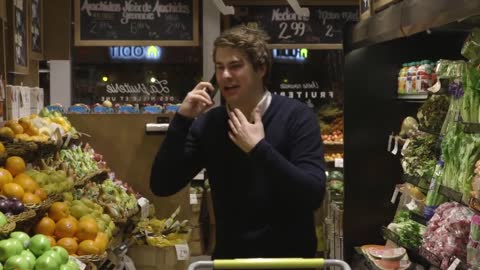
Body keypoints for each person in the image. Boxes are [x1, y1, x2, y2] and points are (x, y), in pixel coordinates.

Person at [150, 25, 326, 260]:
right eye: (220, 67)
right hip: (231, 263)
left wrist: (258, 149)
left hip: (291, 263)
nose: (225, 76)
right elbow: (162, 184)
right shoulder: (210, 124)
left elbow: (312, 195)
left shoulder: (298, 117)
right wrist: (181, 121)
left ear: (261, 68)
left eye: (235, 66)